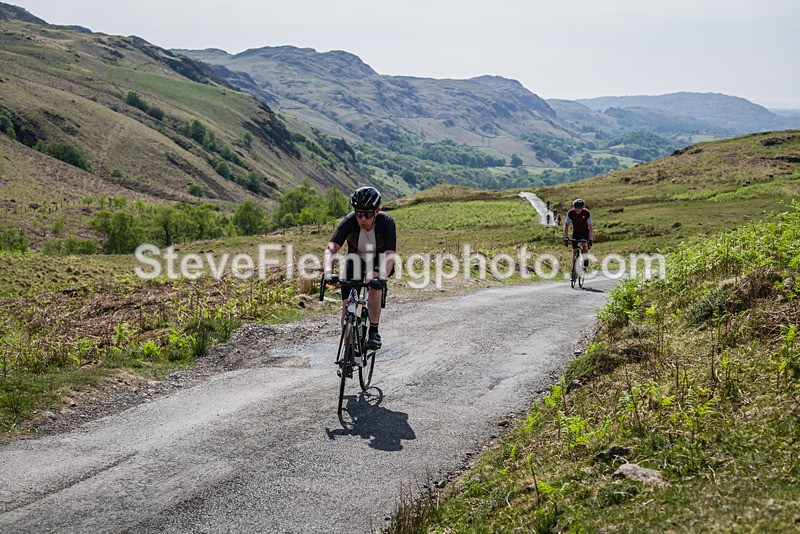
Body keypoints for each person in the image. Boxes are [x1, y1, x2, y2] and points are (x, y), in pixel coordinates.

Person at [326, 186, 396, 350]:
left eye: (367, 214)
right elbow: (331, 248)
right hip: (355, 261)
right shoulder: (349, 221)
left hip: (379, 261)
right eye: (358, 213)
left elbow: (390, 253)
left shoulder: (386, 223)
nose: (362, 219)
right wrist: (329, 272)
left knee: (373, 282)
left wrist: (382, 277)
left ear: (377, 211)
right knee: (346, 306)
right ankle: (348, 352)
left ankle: (373, 331)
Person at [563, 198, 593, 270]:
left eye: (580, 207)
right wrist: (566, 237)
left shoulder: (587, 213)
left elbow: (591, 227)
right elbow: (566, 226)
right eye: (576, 207)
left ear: (582, 207)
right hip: (576, 232)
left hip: (585, 231)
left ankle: (586, 262)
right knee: (575, 250)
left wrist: (591, 239)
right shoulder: (570, 213)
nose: (577, 209)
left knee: (584, 244)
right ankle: (574, 269)